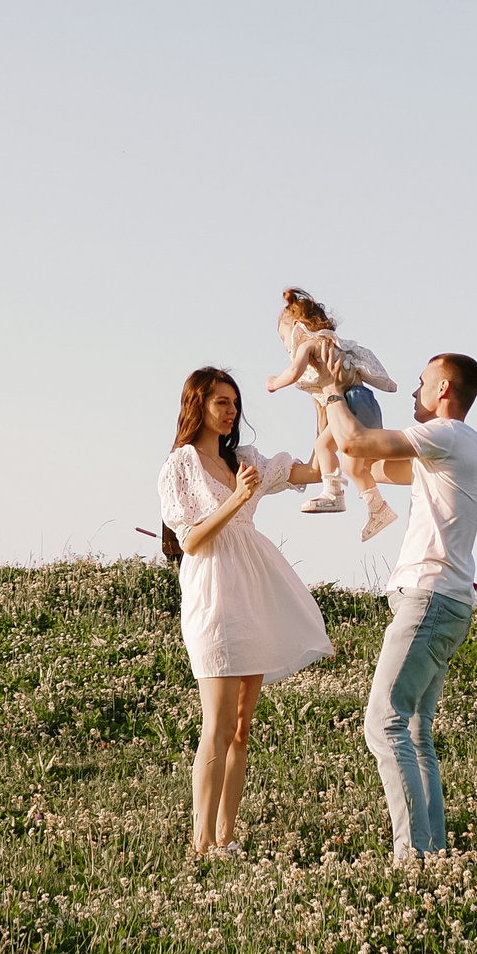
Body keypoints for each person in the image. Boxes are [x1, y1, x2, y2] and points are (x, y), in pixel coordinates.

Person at [156, 366, 334, 858]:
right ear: (198, 405)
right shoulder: (181, 465)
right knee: (215, 722)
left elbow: (314, 471)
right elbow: (191, 538)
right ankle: (199, 841)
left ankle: (225, 840)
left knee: (241, 725)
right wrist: (237, 498)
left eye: (234, 403)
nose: (231, 411)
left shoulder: (246, 459)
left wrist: (321, 401)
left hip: (253, 593)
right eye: (221, 402)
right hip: (213, 594)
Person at [321, 352, 477, 863]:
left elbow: (354, 442)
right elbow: (364, 460)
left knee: (383, 722)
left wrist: (330, 389)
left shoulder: (448, 435)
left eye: (420, 383)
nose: (413, 393)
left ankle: (412, 858)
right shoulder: (446, 450)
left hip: (429, 599)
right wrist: (341, 402)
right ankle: (432, 855)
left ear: (443, 391)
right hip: (444, 600)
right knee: (415, 732)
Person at [264, 286, 401, 541]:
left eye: (283, 338)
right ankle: (378, 508)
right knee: (353, 466)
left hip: (350, 405)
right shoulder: (337, 345)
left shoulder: (311, 345)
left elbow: (292, 372)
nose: (285, 347)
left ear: (297, 328)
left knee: (322, 446)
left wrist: (273, 382)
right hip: (365, 403)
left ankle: (333, 494)